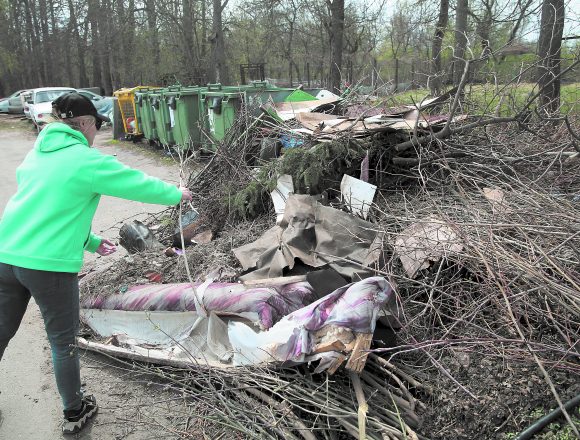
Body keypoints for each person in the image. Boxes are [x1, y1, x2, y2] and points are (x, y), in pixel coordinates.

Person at [0, 92, 192, 434]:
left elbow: (48, 207)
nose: (96, 134)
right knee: (63, 341)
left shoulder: (37, 153)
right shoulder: (85, 160)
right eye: (96, 126)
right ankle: (75, 411)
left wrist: (88, 241)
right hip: (48, 266)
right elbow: (134, 183)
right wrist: (176, 194)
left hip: (7, 255)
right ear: (85, 124)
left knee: (1, 331)